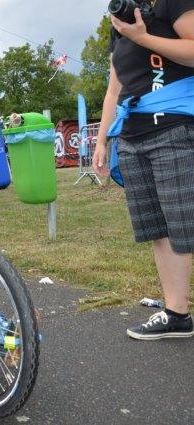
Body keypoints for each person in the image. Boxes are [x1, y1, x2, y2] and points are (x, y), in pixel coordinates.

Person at [92, 1, 194, 340]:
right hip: (133, 138)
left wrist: (143, 37)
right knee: (159, 229)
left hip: (175, 130)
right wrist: (103, 140)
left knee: (185, 224)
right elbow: (114, 88)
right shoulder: (120, 22)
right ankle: (176, 313)